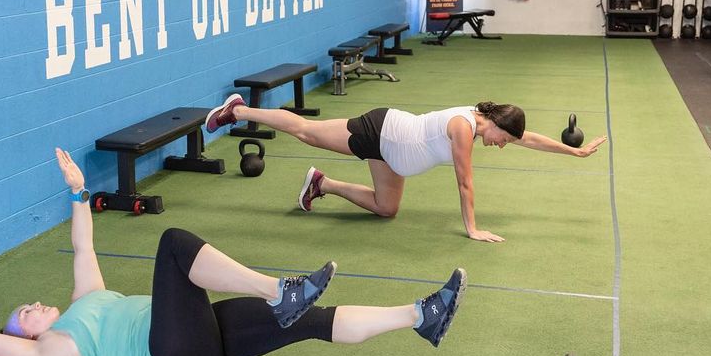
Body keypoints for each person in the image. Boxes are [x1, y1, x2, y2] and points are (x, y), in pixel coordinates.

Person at [0, 149, 467, 356]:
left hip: (199, 345)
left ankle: (421, 316)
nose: (34, 306)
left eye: (29, 305)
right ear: (28, 335)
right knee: (172, 246)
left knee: (312, 321)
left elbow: (82, 244)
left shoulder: (87, 298)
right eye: (26, 314)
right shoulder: (55, 352)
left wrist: (78, 192)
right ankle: (278, 290)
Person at [206, 98, 606, 243]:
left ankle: (321, 184)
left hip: (393, 153)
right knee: (307, 132)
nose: (502, 145)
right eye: (503, 140)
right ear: (497, 124)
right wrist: (472, 228)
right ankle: (237, 111)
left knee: (387, 208)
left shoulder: (487, 123)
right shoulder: (464, 128)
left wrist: (576, 153)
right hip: (380, 133)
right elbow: (465, 182)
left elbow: (529, 139)